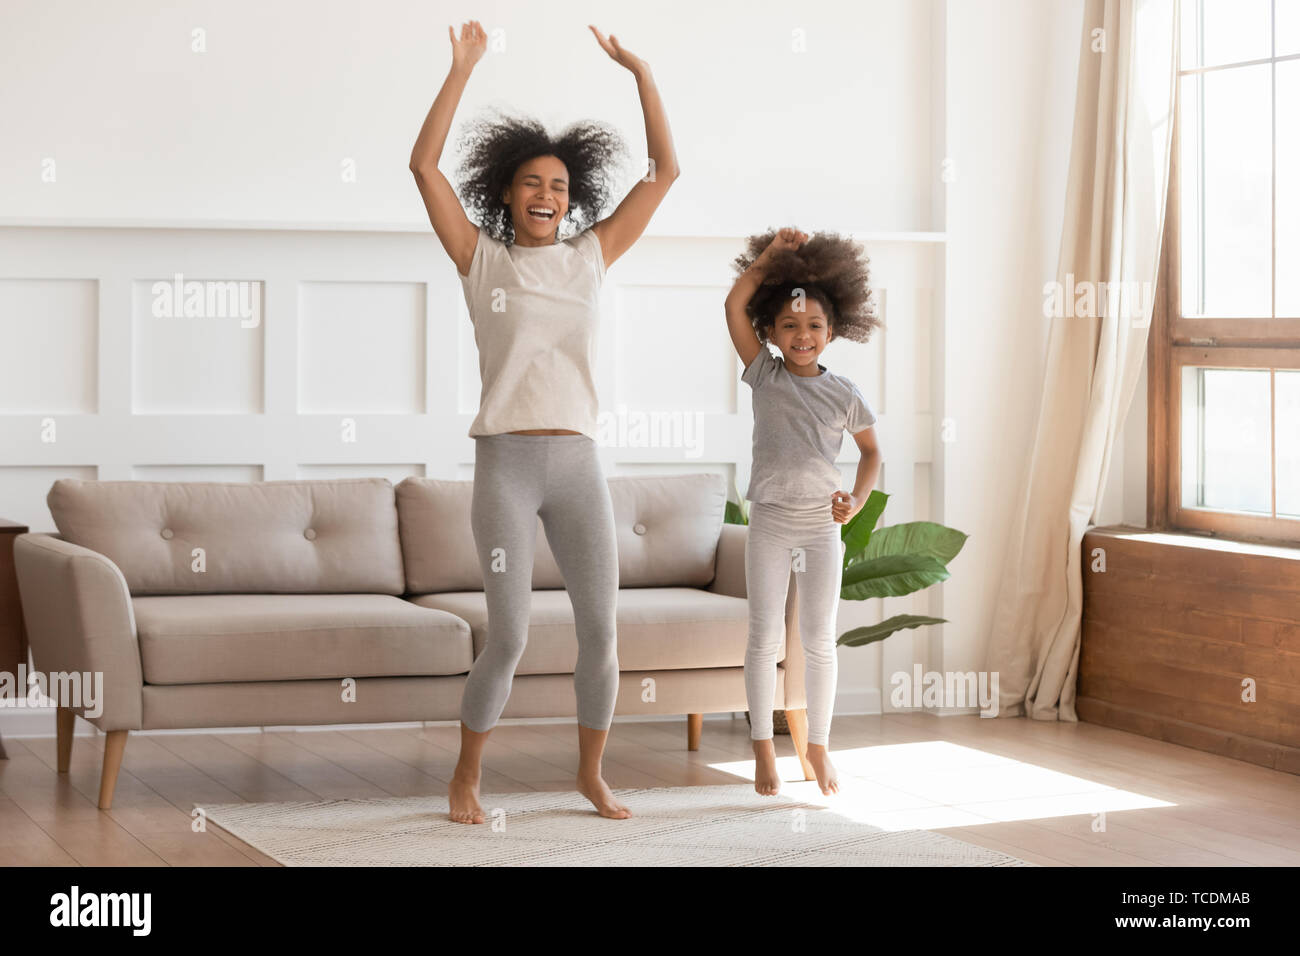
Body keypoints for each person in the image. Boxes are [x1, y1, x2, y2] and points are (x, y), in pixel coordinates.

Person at [408, 21, 680, 823]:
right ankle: (465, 778)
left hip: (578, 467)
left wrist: (642, 72)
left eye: (559, 187)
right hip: (508, 466)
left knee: (602, 633)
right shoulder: (479, 258)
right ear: (507, 192)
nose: (546, 197)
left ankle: (590, 775)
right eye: (532, 184)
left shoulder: (592, 255)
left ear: (573, 198)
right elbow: (423, 167)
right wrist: (461, 67)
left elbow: (666, 171)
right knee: (513, 635)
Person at [724, 227, 883, 796]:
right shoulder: (763, 374)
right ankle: (764, 748)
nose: (802, 334)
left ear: (832, 332)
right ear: (771, 331)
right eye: (789, 325)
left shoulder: (844, 393)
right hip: (769, 520)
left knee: (819, 639)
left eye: (814, 325)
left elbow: (871, 455)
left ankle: (818, 744)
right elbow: (733, 304)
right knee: (763, 637)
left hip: (820, 525)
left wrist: (855, 502)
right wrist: (770, 259)